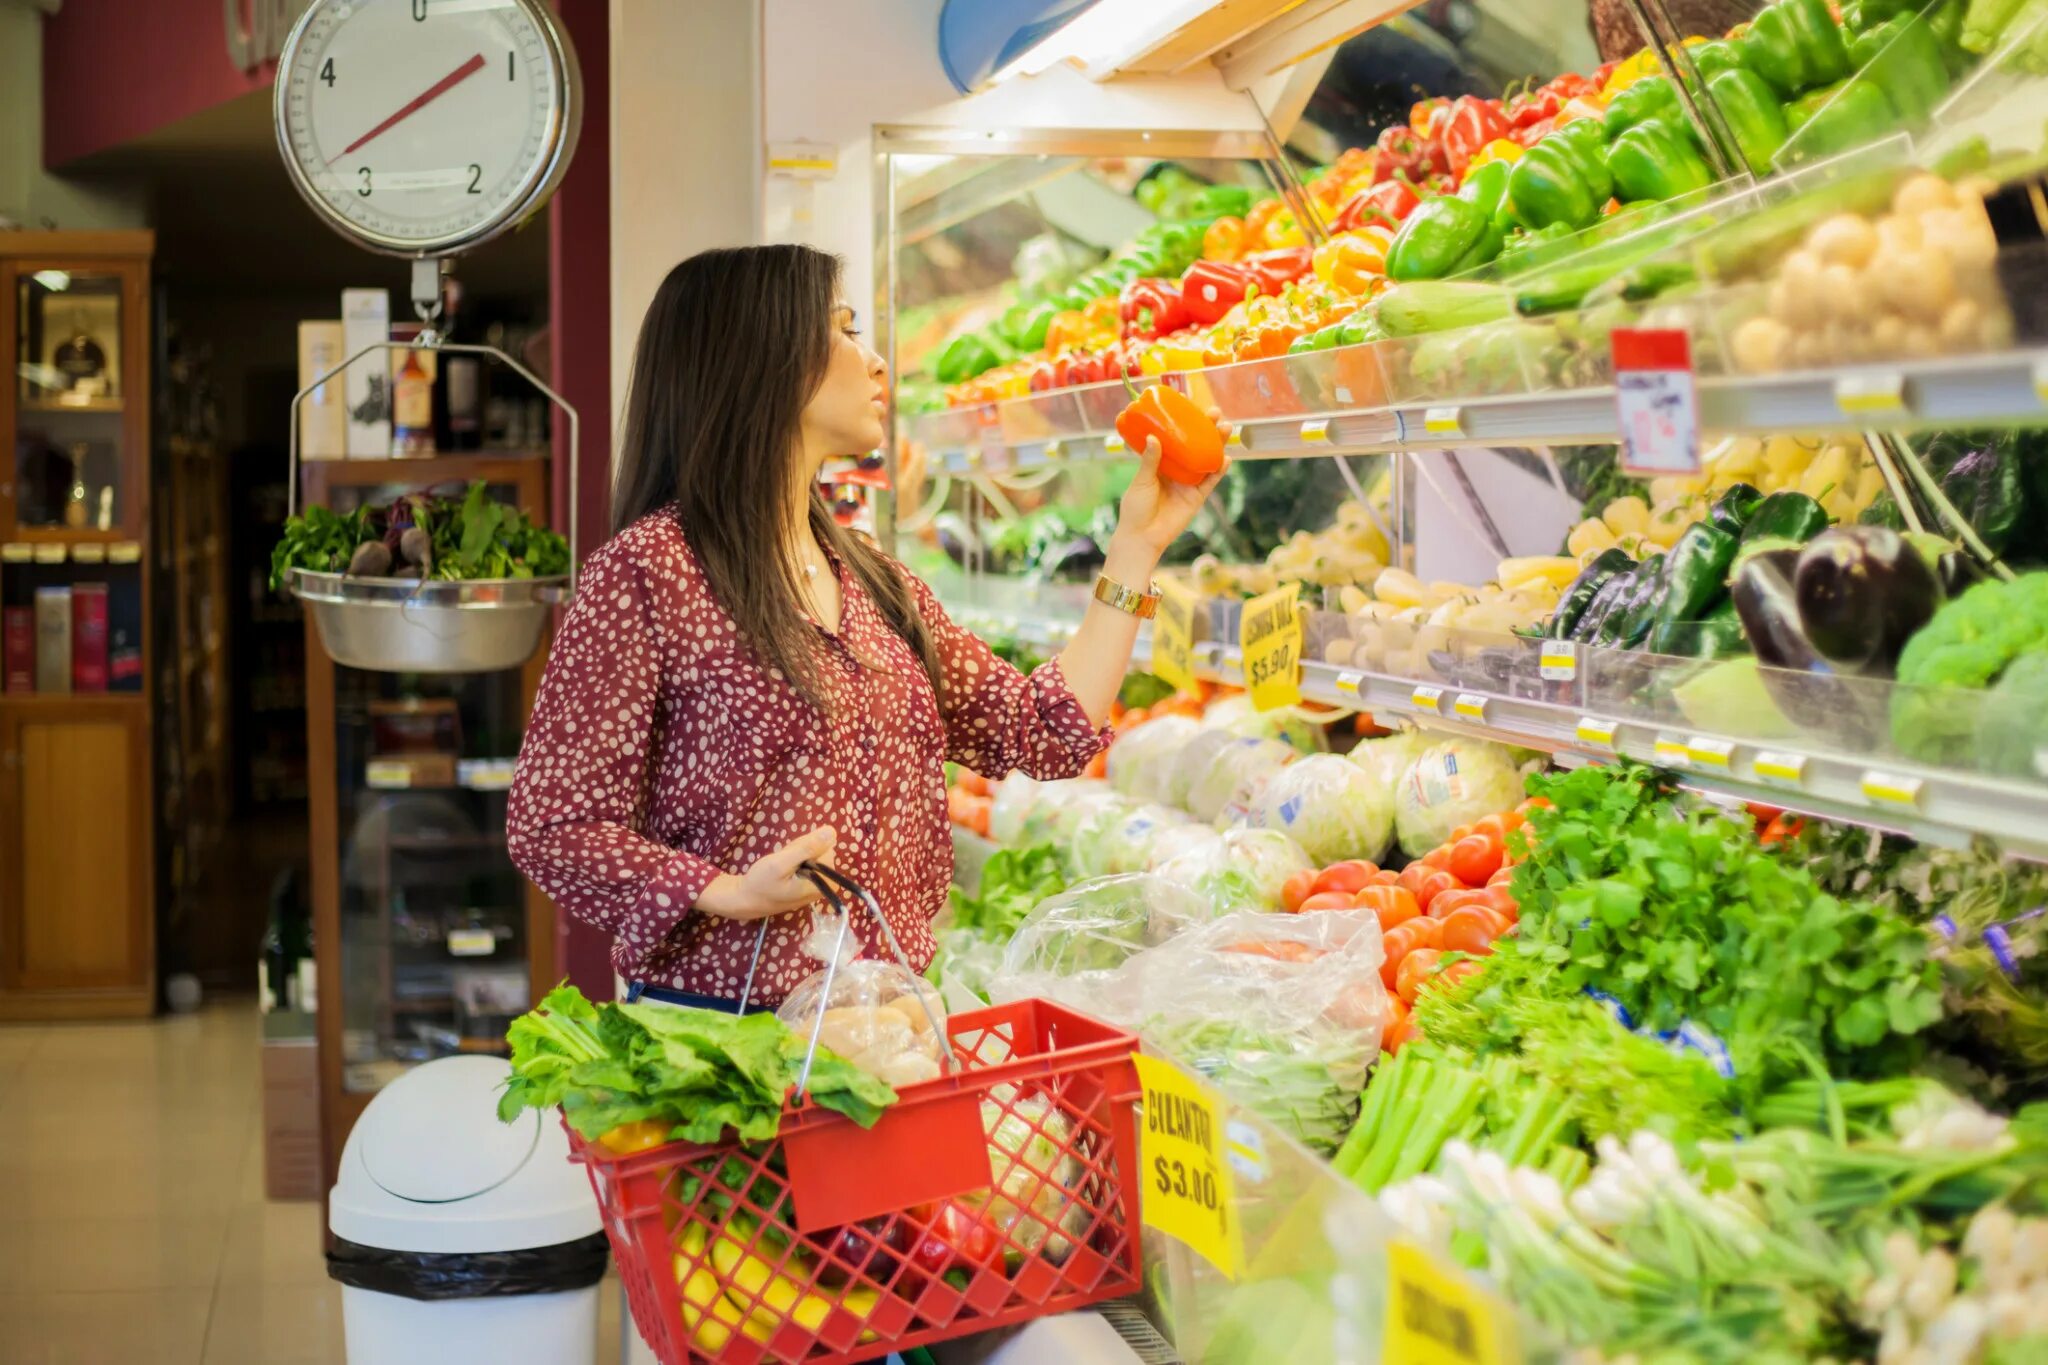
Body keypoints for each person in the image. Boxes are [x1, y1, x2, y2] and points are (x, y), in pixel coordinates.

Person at [507, 244, 1223, 1010]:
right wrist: (728, 891)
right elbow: (553, 822)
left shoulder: (871, 580)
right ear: (763, 357)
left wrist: (1136, 546)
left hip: (888, 1031)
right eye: (845, 330)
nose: (876, 360)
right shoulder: (651, 571)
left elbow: (1040, 728)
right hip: (723, 1042)